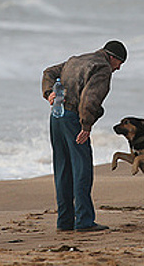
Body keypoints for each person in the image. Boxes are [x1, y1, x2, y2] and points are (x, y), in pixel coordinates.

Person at [41, 40, 127, 232]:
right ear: (112, 57)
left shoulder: (76, 60)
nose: (119, 68)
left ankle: (64, 222)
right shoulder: (102, 68)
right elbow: (90, 98)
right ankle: (84, 221)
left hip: (56, 115)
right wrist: (86, 125)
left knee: (62, 168)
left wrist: (49, 93)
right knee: (82, 169)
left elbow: (48, 72)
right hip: (74, 118)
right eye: (120, 63)